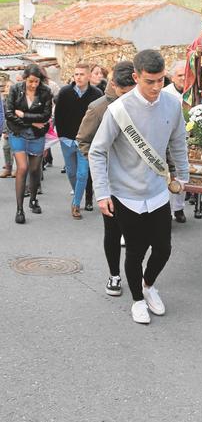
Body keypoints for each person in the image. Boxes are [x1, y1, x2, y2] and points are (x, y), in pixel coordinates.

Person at [89, 50, 189, 325]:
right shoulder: (118, 110)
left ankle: (147, 285)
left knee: (164, 249)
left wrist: (184, 175)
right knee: (134, 251)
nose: (157, 87)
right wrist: (102, 192)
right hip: (125, 195)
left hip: (157, 191)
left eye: (161, 80)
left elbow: (179, 141)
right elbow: (97, 152)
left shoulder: (171, 104)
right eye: (149, 81)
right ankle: (136, 300)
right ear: (136, 77)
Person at [77, 61, 136, 296]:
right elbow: (83, 140)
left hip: (137, 181)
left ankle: (136, 274)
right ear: (113, 85)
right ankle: (114, 275)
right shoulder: (98, 108)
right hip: (111, 182)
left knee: (137, 234)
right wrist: (100, 166)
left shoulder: (145, 104)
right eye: (124, 92)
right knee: (113, 232)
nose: (129, 97)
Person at [5, 64, 53, 223]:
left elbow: (45, 116)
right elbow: (9, 114)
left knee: (34, 170)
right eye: (31, 81)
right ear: (25, 78)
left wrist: (25, 115)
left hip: (37, 136)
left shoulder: (46, 91)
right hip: (18, 133)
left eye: (37, 82)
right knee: (22, 167)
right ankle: (19, 209)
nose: (34, 85)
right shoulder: (15, 89)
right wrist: (32, 122)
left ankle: (33, 200)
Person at [55, 62, 102, 219]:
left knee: (83, 174)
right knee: (71, 172)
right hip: (67, 140)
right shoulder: (64, 92)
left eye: (82, 74)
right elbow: (58, 116)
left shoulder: (97, 94)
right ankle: (78, 193)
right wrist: (61, 136)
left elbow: (99, 118)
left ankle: (76, 204)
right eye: (76, 74)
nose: (78, 77)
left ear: (89, 76)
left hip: (86, 141)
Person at [163, 60, 187, 223]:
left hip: (186, 138)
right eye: (180, 75)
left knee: (182, 175)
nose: (183, 78)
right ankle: (167, 211)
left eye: (186, 75)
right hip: (168, 138)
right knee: (169, 175)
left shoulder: (194, 93)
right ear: (172, 77)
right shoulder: (165, 94)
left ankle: (179, 208)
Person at [0, 80, 15, 178]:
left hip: (15, 128)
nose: (8, 88)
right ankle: (8, 169)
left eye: (11, 86)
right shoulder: (3, 100)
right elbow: (3, 116)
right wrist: (4, 130)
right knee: (5, 147)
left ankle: (15, 169)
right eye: (7, 86)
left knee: (14, 149)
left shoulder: (16, 99)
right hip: (7, 128)